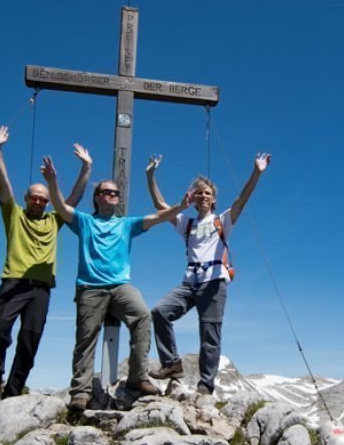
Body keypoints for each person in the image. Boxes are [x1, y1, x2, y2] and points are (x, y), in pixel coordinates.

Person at [41, 155, 190, 414]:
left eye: (116, 193)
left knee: (143, 315)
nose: (112, 195)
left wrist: (180, 206)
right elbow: (60, 206)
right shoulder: (84, 222)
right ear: (96, 198)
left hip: (121, 286)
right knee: (85, 339)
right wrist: (53, 182)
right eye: (107, 192)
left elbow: (158, 217)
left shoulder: (126, 225)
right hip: (90, 287)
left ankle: (137, 378)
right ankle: (81, 392)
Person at [0, 125, 92, 409]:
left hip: (42, 288)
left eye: (44, 198)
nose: (40, 201)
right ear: (26, 199)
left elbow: (73, 199)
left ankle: (13, 391)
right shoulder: (14, 215)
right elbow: (4, 185)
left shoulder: (54, 220)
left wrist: (86, 168)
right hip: (13, 282)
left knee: (30, 339)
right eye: (35, 197)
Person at [145, 151, 271, 395]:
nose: (203, 196)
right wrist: (150, 176)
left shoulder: (222, 221)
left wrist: (256, 172)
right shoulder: (187, 223)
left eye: (207, 193)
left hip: (214, 282)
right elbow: (160, 206)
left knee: (209, 334)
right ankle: (171, 365)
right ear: (191, 197)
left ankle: (205, 386)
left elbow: (241, 200)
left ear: (213, 200)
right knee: (160, 311)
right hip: (190, 282)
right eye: (198, 192)